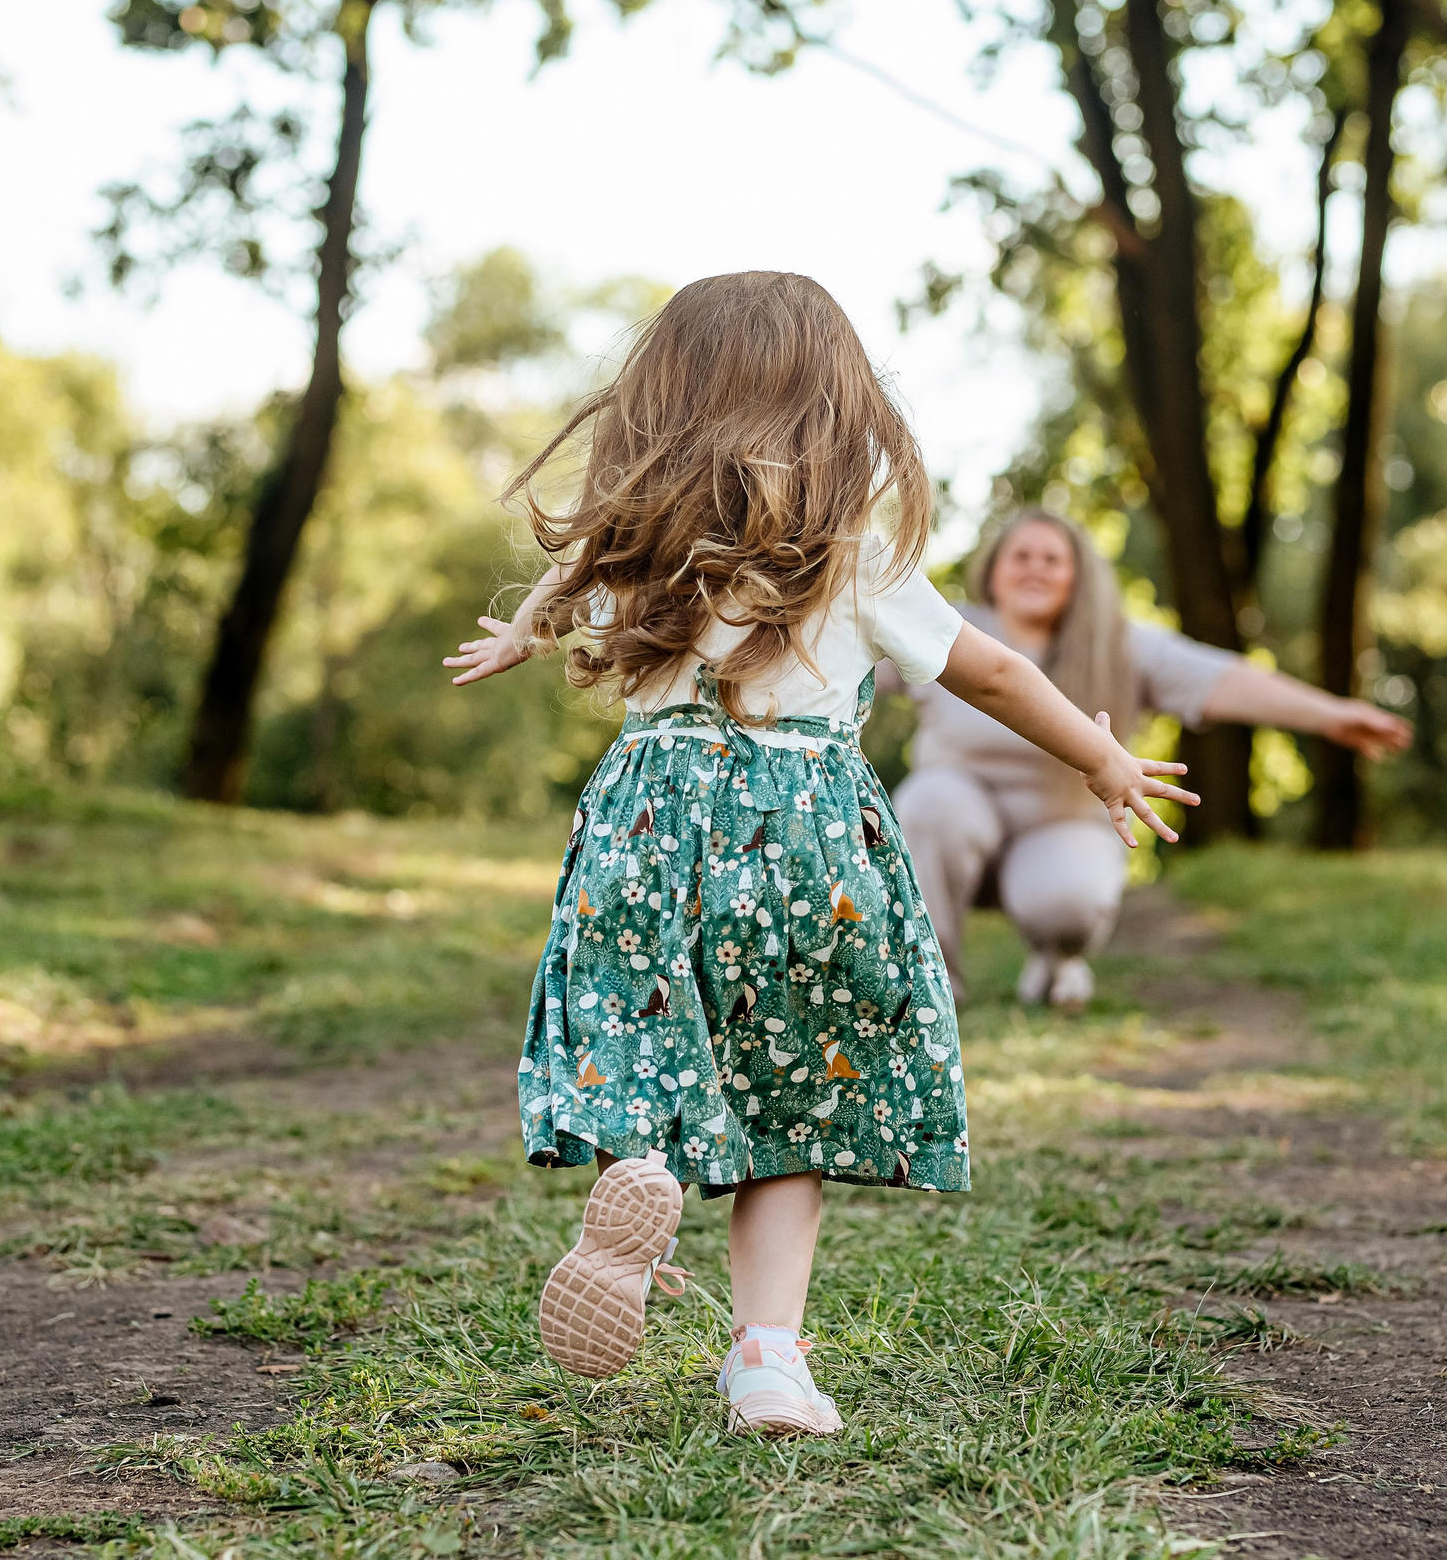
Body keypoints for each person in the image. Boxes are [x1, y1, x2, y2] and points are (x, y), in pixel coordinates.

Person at [445, 274, 1200, 1437]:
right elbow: (986, 669)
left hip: (648, 814)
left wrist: (521, 630)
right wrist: (1098, 757)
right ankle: (768, 1358)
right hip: (802, 823)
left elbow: (574, 568)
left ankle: (634, 1185)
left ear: (663, 394)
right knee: (791, 1092)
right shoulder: (844, 547)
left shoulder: (639, 535)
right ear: (830, 400)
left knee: (641, 1025)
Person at [891, 508, 1412, 1009]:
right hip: (954, 817)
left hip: (1061, 826)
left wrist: (1330, 715)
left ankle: (1059, 958)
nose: (1035, 568)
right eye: (1020, 556)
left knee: (1066, 901)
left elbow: (1221, 678)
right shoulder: (949, 629)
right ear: (992, 570)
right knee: (930, 804)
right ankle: (932, 989)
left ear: (1078, 577)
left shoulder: (1118, 646)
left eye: (1052, 559)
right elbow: (855, 659)